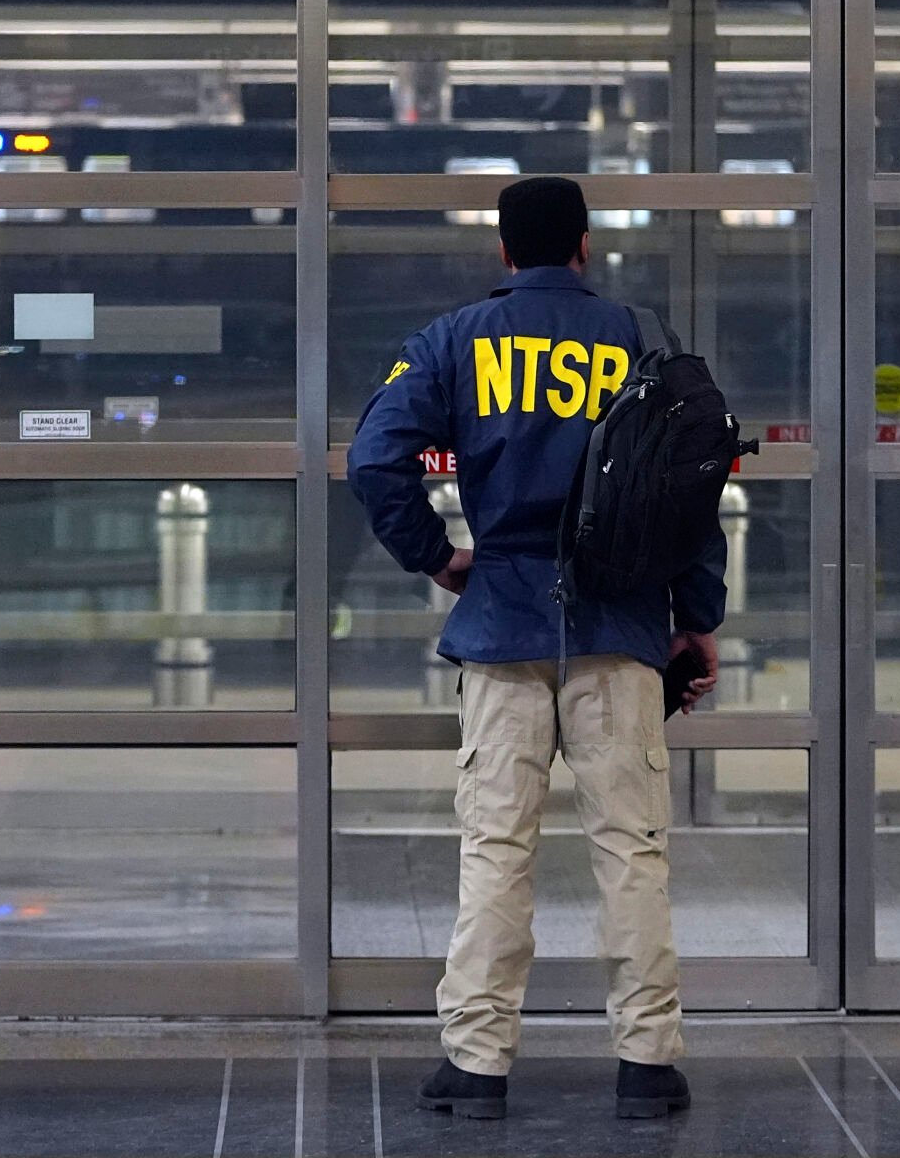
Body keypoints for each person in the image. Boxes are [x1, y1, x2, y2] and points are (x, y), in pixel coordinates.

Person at [347, 176, 726, 1121]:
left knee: (495, 849)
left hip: (503, 624)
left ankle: (477, 1064)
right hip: (621, 630)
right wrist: (695, 614)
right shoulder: (642, 337)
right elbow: (693, 484)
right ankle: (648, 1062)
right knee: (630, 850)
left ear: (505, 253)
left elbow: (372, 459)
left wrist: (437, 558)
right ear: (586, 247)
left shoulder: (456, 339)